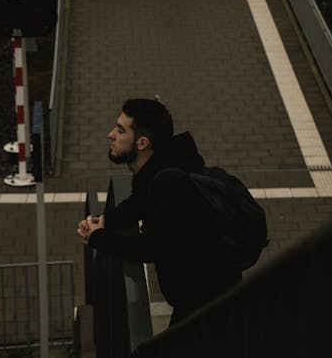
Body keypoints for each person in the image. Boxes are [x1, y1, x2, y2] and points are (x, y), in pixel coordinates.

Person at [76, 98, 242, 325]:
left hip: (207, 304)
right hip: (208, 294)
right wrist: (104, 220)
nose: (110, 135)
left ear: (142, 143)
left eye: (120, 130)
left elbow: (150, 247)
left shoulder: (167, 183)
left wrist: (99, 238)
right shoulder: (159, 169)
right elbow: (138, 203)